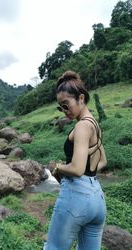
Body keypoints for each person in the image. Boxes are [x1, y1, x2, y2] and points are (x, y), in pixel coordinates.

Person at [44, 70, 107, 250]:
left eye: (66, 105)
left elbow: (78, 169)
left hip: (76, 198)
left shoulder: (81, 126)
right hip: (97, 200)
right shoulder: (94, 124)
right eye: (60, 107)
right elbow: (102, 162)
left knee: (54, 247)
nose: (64, 111)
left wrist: (57, 167)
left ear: (80, 98)